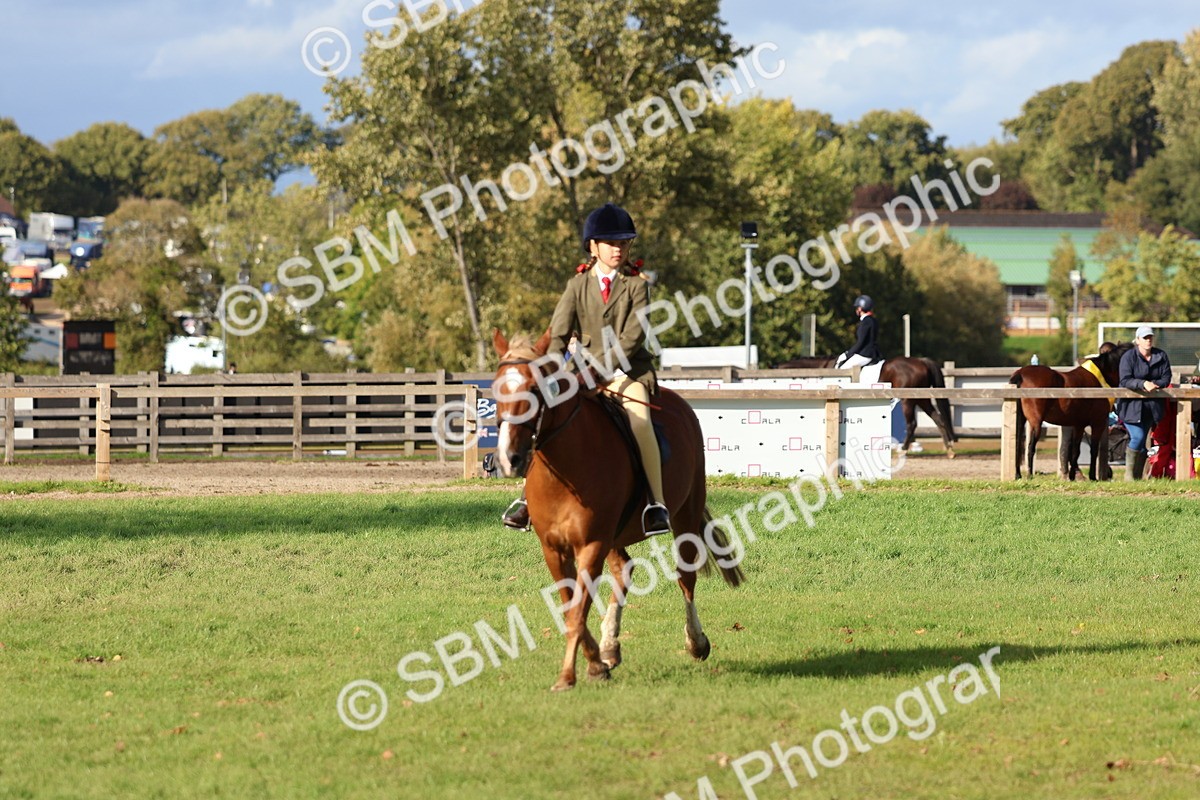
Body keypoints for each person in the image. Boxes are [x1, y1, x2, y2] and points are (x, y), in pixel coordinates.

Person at [502, 203, 671, 536]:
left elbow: (631, 339)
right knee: (544, 417)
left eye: (624, 243)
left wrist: (596, 371)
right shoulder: (577, 285)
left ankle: (656, 503)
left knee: (640, 420)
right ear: (593, 246)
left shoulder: (636, 285)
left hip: (627, 373)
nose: (618, 249)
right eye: (611, 243)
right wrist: (551, 372)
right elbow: (558, 334)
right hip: (577, 372)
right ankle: (526, 500)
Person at [1115, 325, 1172, 480]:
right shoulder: (1128, 357)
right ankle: (1128, 476)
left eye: (1150, 337)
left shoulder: (1161, 355)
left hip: (1151, 407)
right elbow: (1125, 379)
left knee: (1142, 442)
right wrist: (1142, 384)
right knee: (1138, 437)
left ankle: (1137, 477)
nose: (1148, 340)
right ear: (1137, 340)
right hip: (1130, 406)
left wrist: (1154, 384)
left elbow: (1166, 378)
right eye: (1145, 338)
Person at [834, 295, 882, 369]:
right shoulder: (873, 320)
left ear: (860, 308)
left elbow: (860, 343)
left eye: (857, 308)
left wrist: (847, 354)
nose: (856, 310)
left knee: (842, 369)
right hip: (873, 353)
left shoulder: (866, 322)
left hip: (865, 354)